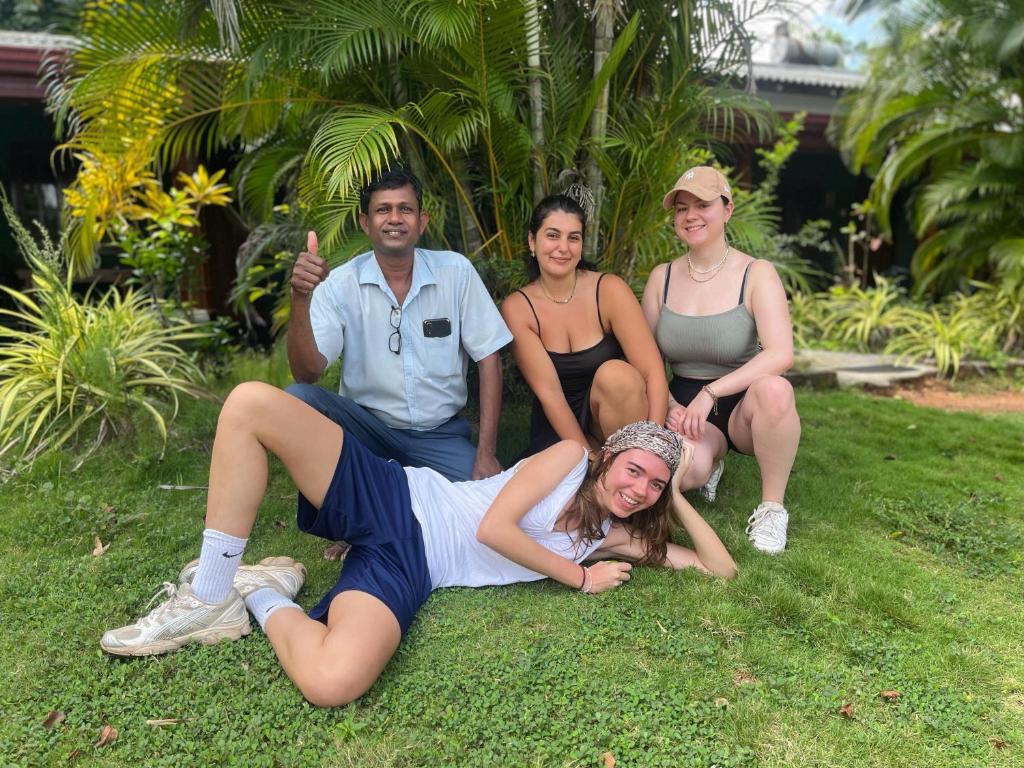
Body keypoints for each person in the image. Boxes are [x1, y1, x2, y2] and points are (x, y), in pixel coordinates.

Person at [100, 385, 736, 707]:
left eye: (653, 485)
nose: (639, 489)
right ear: (608, 458)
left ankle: (261, 593)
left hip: (413, 565)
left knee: (333, 681)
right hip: (399, 498)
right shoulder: (570, 458)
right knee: (250, 404)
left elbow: (719, 569)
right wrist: (580, 577)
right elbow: (493, 530)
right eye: (635, 470)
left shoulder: (611, 535)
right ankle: (210, 593)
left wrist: (676, 495)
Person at [287, 168, 511, 483]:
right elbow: (307, 373)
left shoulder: (456, 273)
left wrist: (486, 453)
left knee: (486, 495)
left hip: (439, 435)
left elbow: (489, 359)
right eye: (383, 210)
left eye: (405, 209)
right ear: (365, 223)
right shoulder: (339, 284)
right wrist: (299, 297)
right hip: (365, 430)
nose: (394, 218)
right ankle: (337, 485)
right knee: (298, 398)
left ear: (422, 221)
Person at [641, 166, 801, 554]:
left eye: (702, 205)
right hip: (684, 408)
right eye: (682, 208)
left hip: (742, 404)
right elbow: (643, 356)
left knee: (776, 390)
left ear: (727, 210)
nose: (690, 216)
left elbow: (781, 353)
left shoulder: (756, 273)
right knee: (684, 474)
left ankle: (772, 509)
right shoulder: (662, 278)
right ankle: (710, 463)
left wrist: (711, 392)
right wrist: (670, 404)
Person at [501, 194, 669, 457]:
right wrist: (589, 457)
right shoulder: (518, 308)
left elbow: (653, 372)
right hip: (559, 428)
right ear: (532, 241)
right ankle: (599, 468)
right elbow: (551, 395)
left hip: (616, 419)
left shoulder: (609, 290)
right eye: (553, 235)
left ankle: (630, 460)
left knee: (617, 376)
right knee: (572, 474)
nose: (563, 247)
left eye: (573, 238)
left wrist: (653, 445)